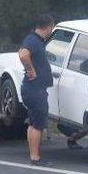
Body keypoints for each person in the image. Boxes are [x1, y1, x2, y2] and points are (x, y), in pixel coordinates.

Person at [19, 14, 55, 165]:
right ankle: (35, 157)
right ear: (48, 26)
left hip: (34, 89)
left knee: (33, 122)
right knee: (38, 124)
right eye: (52, 27)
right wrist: (30, 69)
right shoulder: (33, 40)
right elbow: (23, 54)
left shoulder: (34, 40)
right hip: (35, 89)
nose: (51, 30)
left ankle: (33, 154)